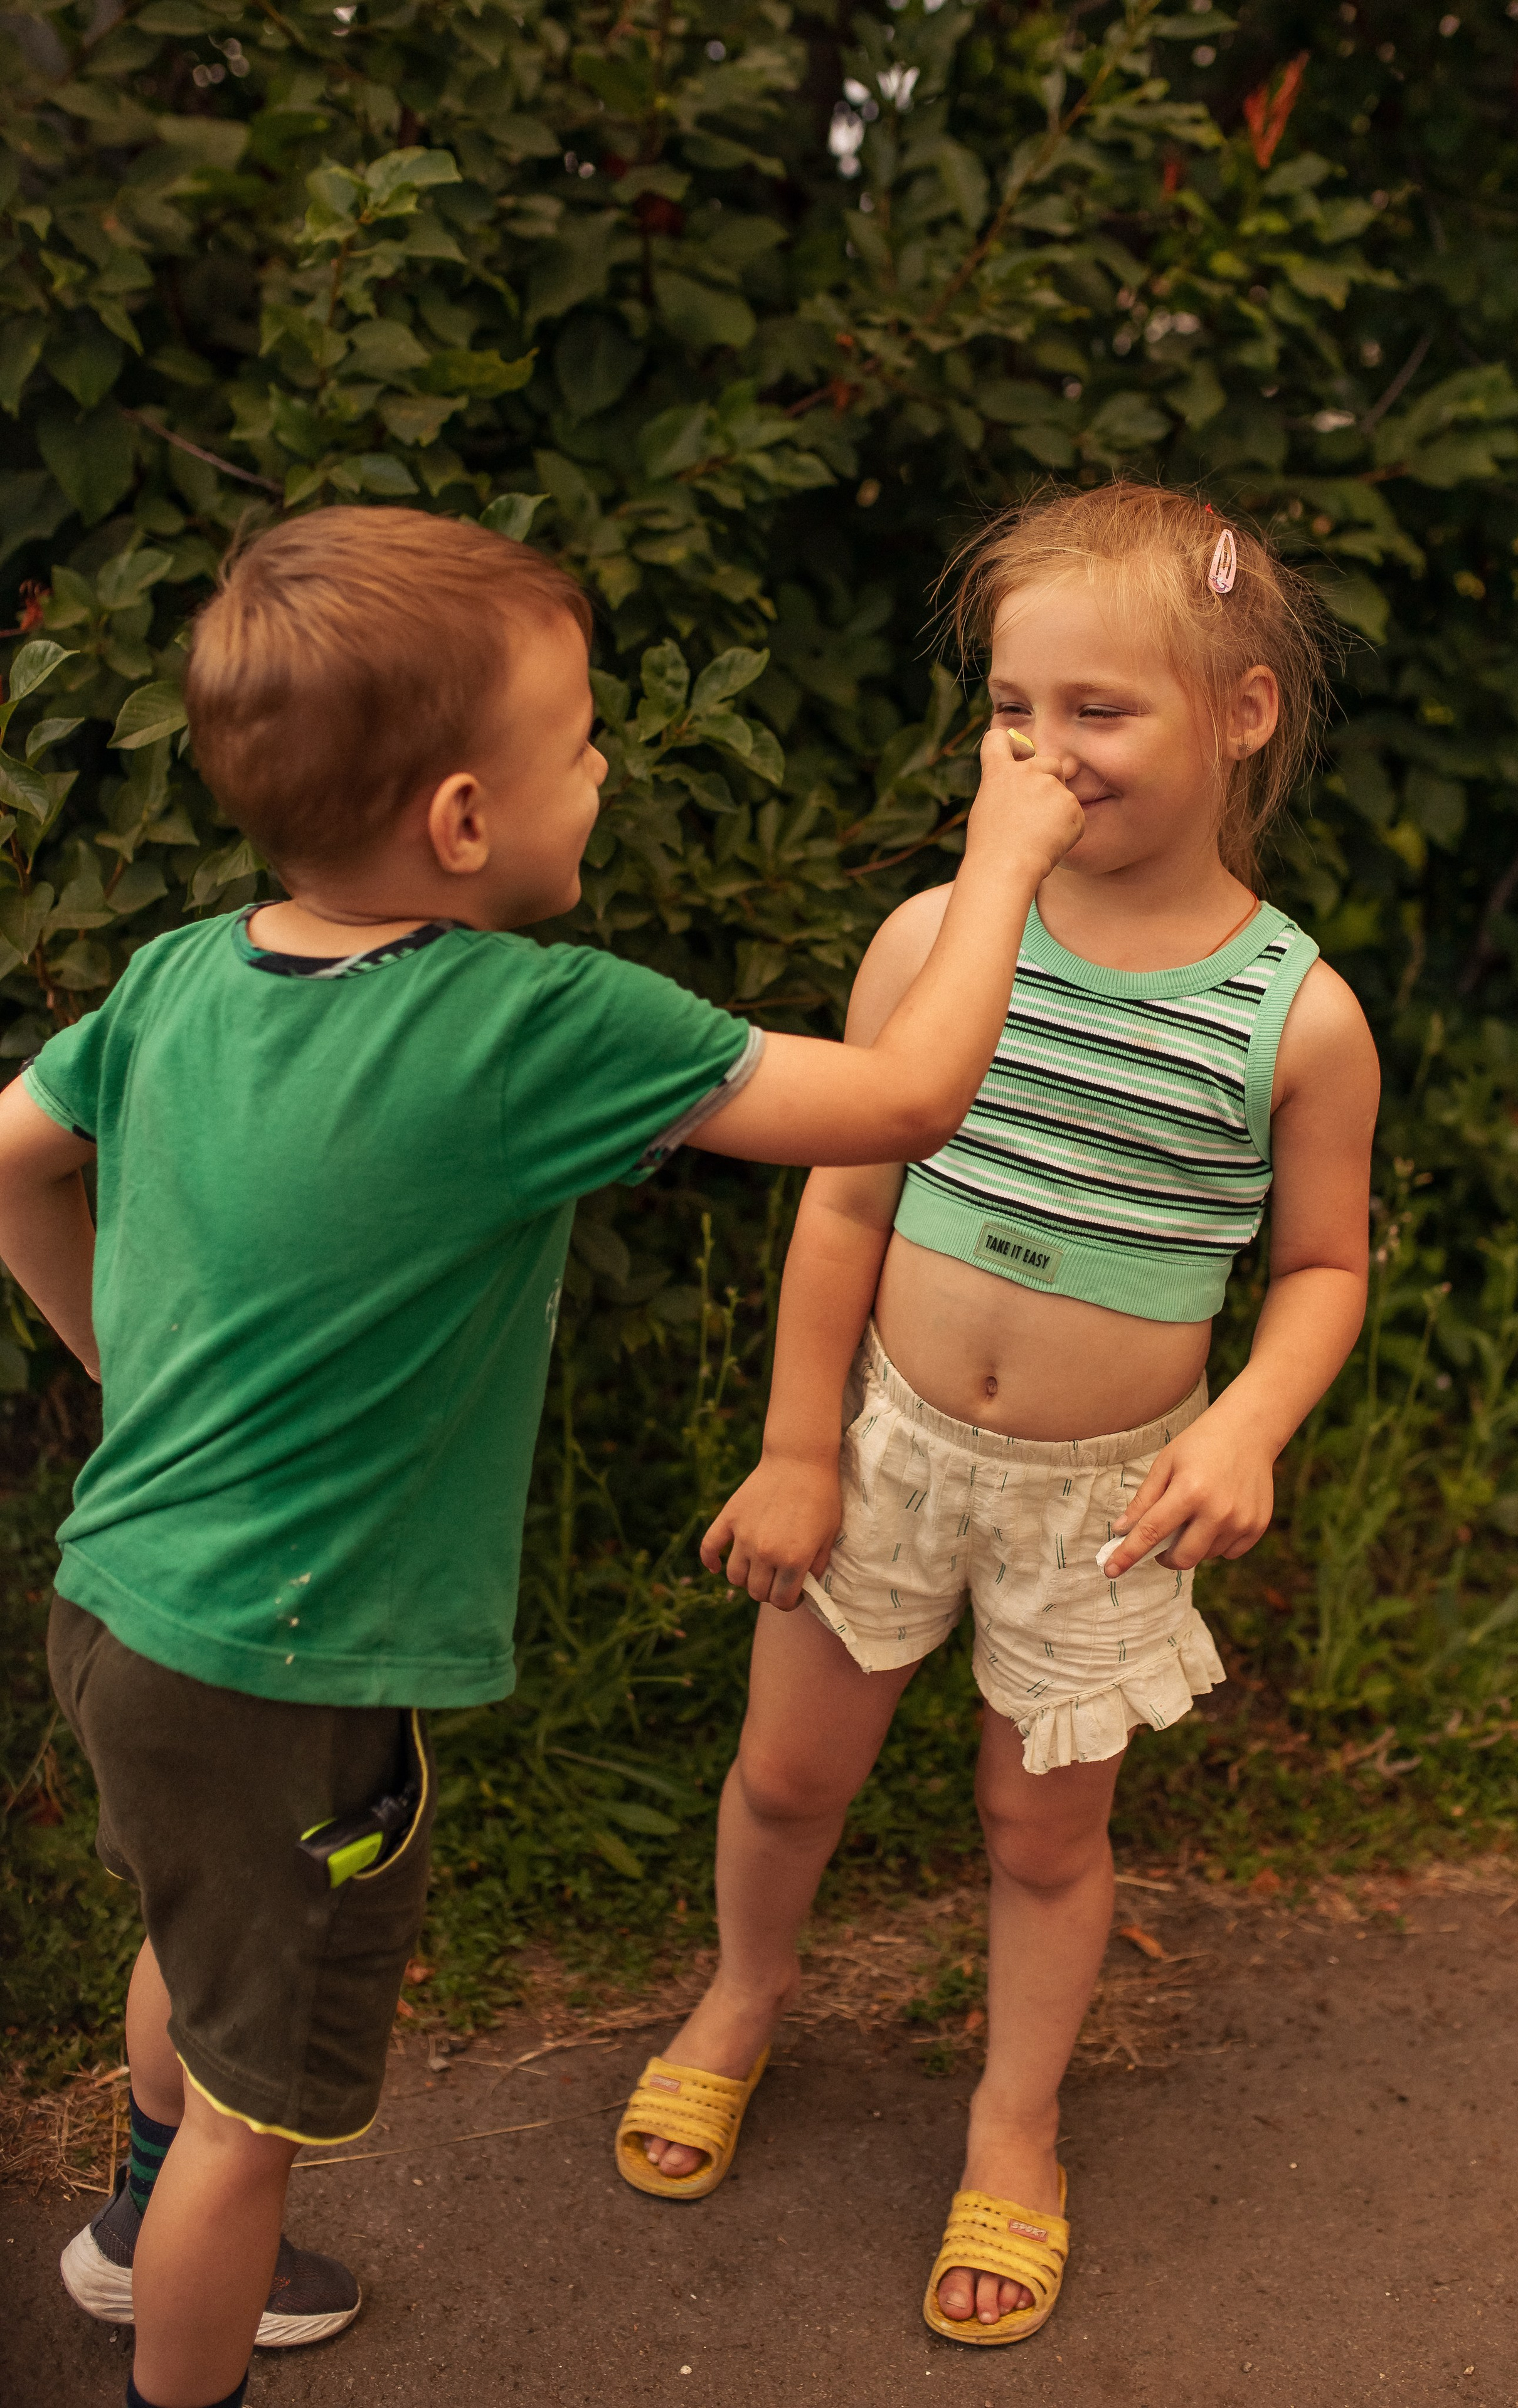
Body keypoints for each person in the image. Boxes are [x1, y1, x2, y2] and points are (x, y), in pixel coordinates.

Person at [0, 504, 1083, 2408]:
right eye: (581, 743)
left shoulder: (178, 977)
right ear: (463, 822)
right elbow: (910, 1100)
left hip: (118, 1613)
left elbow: (12, 1158)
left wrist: (122, 1365)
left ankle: (128, 2225)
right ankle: (186, 2350)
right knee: (267, 2115)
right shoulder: (533, 1023)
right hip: (284, 1664)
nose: (603, 771)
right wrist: (1002, 857)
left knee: (196, 1921)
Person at [617, 482, 1381, 2349]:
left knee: (1042, 1837)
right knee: (790, 1775)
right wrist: (801, 1447)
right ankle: (738, 1998)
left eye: (1097, 712)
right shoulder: (934, 943)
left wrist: (1250, 1424)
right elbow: (850, 1198)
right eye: (1014, 712)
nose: (1044, 752)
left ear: (1244, 714)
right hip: (886, 1452)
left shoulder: (1298, 1018)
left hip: (1106, 1504)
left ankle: (1014, 2122)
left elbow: (1322, 1272)